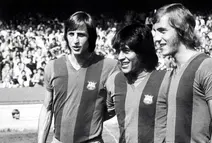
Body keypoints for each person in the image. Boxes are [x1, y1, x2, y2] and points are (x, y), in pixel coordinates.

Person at [152, 3, 212, 143]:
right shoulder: (171, 72)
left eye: (162, 31)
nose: (156, 38)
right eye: (155, 31)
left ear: (182, 29)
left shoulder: (208, 67)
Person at [37, 11, 118, 143]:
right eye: (71, 34)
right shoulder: (53, 67)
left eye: (81, 35)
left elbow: (114, 107)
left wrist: (92, 118)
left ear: (90, 37)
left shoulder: (109, 67)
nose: (75, 41)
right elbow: (47, 108)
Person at [107, 23, 171, 143]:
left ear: (142, 52)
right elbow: (101, 113)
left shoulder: (166, 80)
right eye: (118, 51)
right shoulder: (114, 81)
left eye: (126, 51)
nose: (120, 57)